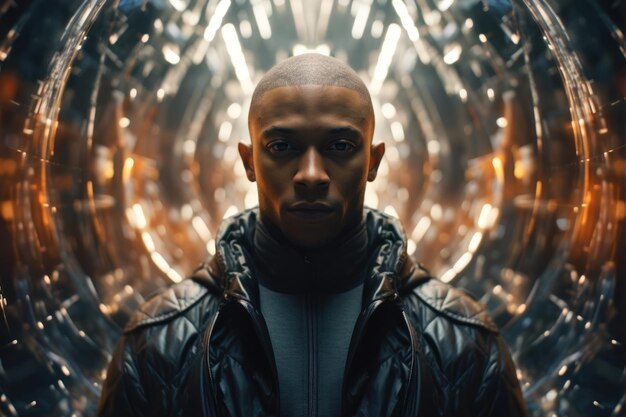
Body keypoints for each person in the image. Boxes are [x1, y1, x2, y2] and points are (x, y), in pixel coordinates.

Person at [96, 53, 528, 417]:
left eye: (339, 146)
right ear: (248, 162)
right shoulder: (155, 347)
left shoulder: (467, 347)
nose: (311, 175)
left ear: (374, 161)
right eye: (282, 147)